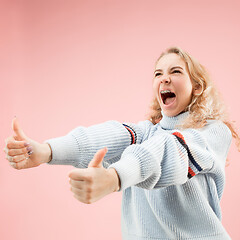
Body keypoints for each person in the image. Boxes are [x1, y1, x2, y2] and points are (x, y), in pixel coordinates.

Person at [4, 47, 240, 240]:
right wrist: (46, 151)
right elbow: (106, 136)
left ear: (197, 87)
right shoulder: (146, 132)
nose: (164, 78)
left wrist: (114, 177)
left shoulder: (213, 132)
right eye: (158, 73)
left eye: (175, 71)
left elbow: (171, 150)